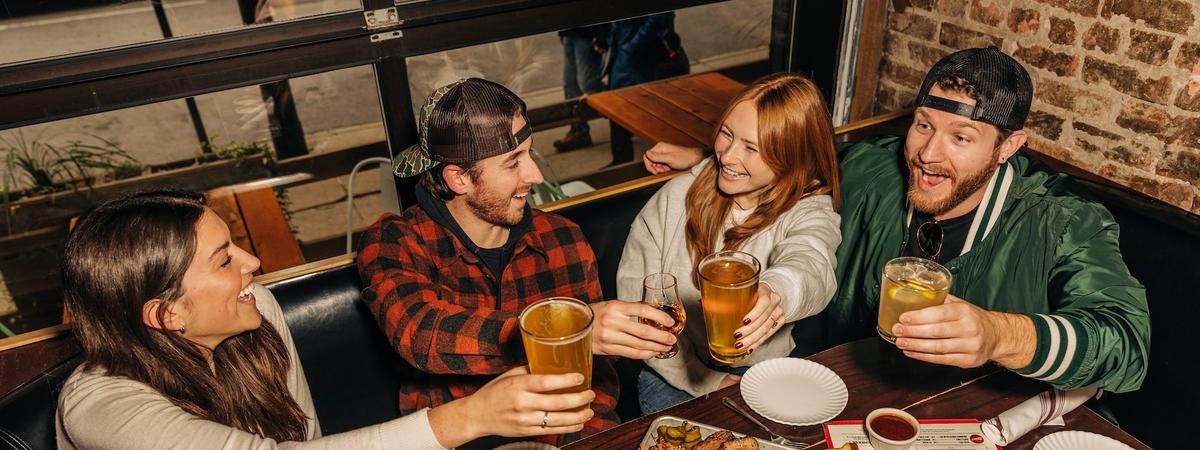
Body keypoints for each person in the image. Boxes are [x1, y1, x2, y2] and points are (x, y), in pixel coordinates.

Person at [641, 48, 1150, 394]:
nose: (928, 154)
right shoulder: (871, 169)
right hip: (850, 403)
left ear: (1008, 148)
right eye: (924, 126)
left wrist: (1000, 335)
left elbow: (1127, 346)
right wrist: (709, 162)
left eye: (962, 137)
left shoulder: (1063, 221)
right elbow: (793, 163)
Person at [56, 190, 596, 450]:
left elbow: (305, 435)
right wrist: (469, 417)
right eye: (225, 260)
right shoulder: (102, 408)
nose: (253, 265)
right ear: (167, 313)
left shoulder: (256, 310)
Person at [358, 78, 678, 444]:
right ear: (459, 178)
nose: (535, 175)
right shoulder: (396, 241)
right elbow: (419, 333)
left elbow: (598, 386)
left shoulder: (562, 239)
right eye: (514, 163)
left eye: (530, 153)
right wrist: (563, 335)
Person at [617, 73, 842, 414]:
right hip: (672, 371)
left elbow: (812, 261)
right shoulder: (674, 199)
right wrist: (706, 380)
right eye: (726, 134)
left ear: (792, 157)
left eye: (751, 148)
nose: (728, 156)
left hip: (765, 371)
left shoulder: (808, 210)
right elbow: (638, 311)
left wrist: (776, 292)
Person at [605, 12, 689, 165]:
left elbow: (658, 17)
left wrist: (631, 47)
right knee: (617, 104)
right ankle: (622, 161)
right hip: (626, 50)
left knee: (651, 111)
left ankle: (625, 162)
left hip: (642, 57)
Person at [553, 25, 608, 152]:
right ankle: (579, 130)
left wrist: (601, 34)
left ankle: (622, 105)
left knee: (589, 86)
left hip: (587, 32)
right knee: (570, 87)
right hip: (569, 31)